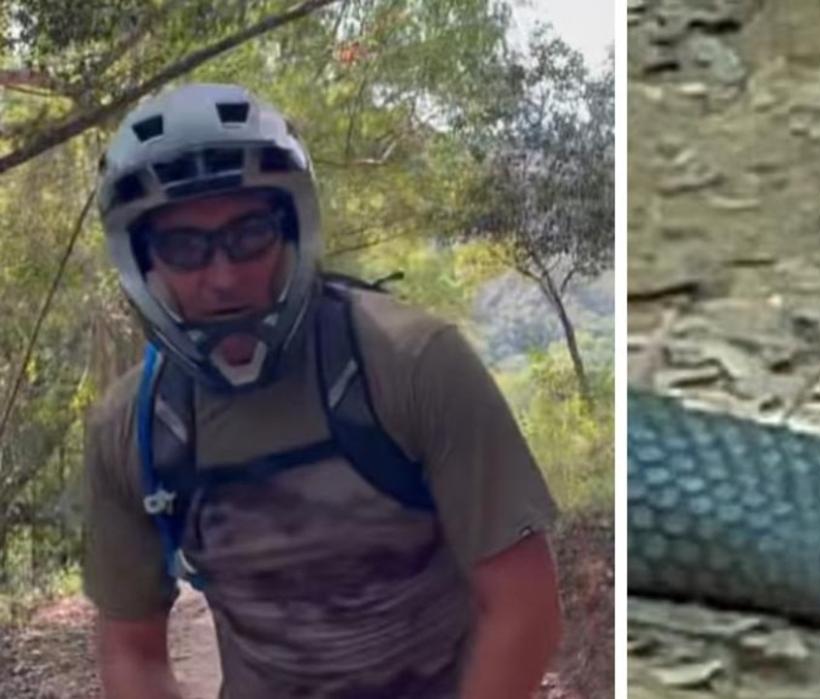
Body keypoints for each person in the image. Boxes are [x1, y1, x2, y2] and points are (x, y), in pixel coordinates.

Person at [82, 83, 563, 699]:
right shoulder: (134, 429)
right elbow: (131, 651)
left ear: (290, 229)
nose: (223, 276)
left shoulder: (412, 363)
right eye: (184, 248)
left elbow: (524, 609)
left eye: (249, 233)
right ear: (144, 262)